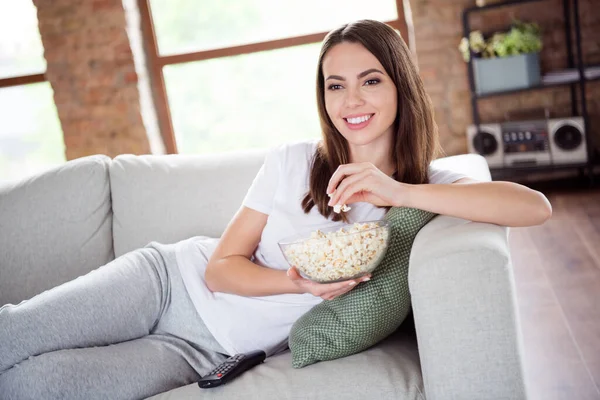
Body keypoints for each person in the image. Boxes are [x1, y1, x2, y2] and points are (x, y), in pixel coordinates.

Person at [0, 19, 552, 400]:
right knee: (12, 335)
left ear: (402, 87)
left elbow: (533, 207)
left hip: (205, 352)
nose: (351, 101)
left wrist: (399, 192)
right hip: (167, 283)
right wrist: (298, 285)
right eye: (336, 86)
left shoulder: (426, 187)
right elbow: (219, 268)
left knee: (33, 387)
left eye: (370, 81)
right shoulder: (294, 162)